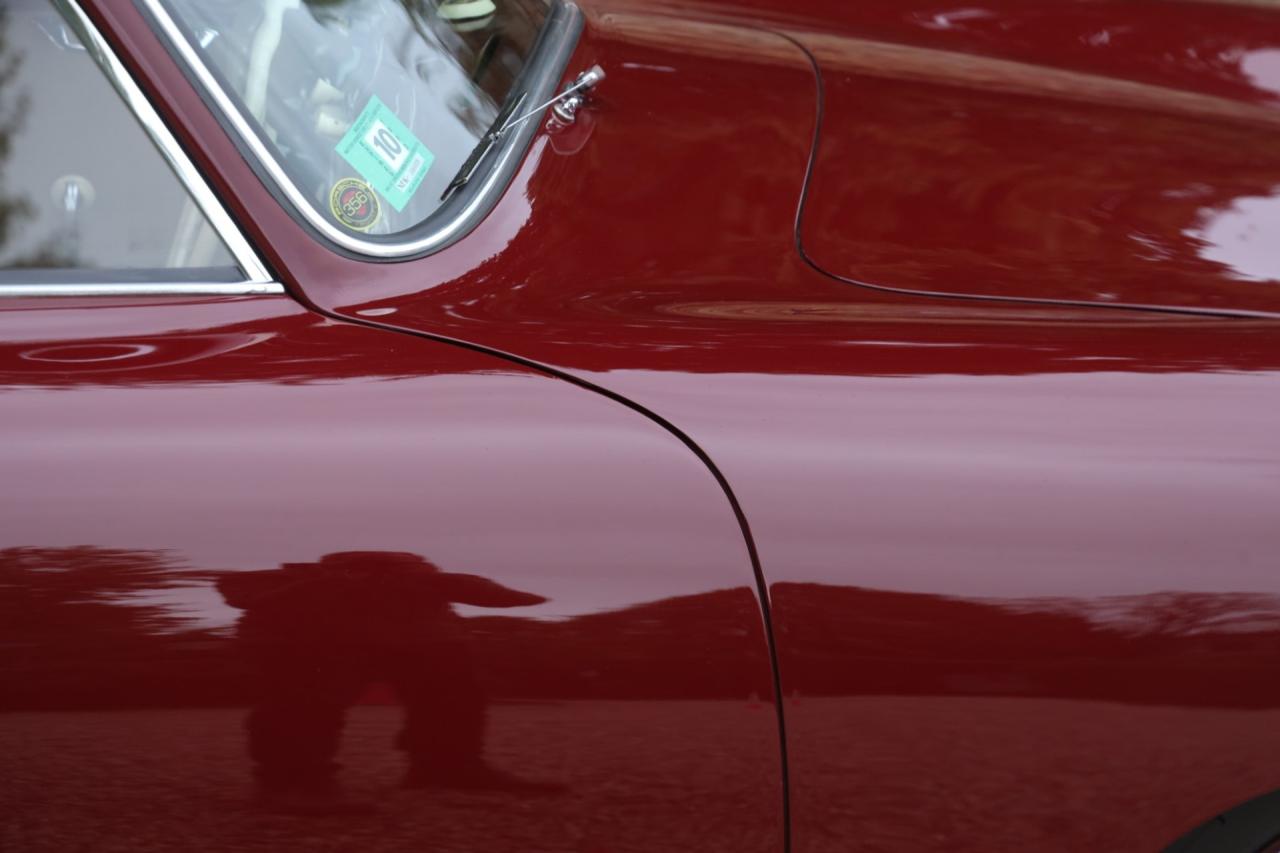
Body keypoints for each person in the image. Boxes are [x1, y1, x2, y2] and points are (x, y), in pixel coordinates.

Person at [216, 550, 554, 808]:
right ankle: (289, 782)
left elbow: (492, 599)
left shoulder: (424, 608)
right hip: (320, 637)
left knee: (452, 690)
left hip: (417, 635)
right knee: (307, 700)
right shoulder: (306, 601)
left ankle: (447, 767)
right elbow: (498, 595)